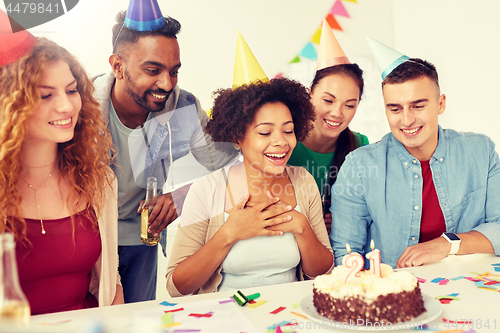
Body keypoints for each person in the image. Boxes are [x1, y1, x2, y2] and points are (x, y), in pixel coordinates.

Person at [93, 4, 238, 302]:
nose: (167, 83)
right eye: (153, 70)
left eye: (173, 71)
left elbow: (226, 164)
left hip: (140, 243)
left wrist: (180, 196)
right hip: (88, 240)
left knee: (135, 322)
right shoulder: (80, 105)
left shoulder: (183, 107)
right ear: (118, 66)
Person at [330, 38, 500, 269]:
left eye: (418, 106)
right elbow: (346, 254)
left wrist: (446, 243)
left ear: (441, 104)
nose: (407, 120)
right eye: (395, 108)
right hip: (392, 296)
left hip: (470, 287)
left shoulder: (481, 152)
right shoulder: (358, 167)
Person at [166, 78, 334, 296]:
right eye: (265, 133)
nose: (281, 142)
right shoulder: (207, 189)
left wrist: (301, 226)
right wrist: (229, 233)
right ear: (237, 137)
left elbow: (324, 274)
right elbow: (176, 287)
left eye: (288, 130)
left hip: (291, 316)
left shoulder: (303, 181)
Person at [0, 35, 123, 314]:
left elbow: (109, 281)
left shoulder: (100, 182)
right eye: (46, 95)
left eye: (71, 90)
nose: (67, 106)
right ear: (10, 104)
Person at [288, 21, 368, 233]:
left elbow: (367, 209)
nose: (337, 113)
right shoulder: (283, 144)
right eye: (328, 101)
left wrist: (343, 218)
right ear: (309, 94)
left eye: (349, 105)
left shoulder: (360, 146)